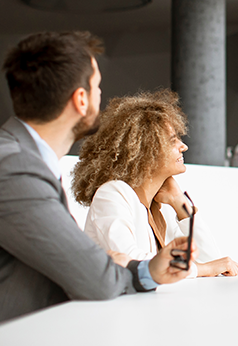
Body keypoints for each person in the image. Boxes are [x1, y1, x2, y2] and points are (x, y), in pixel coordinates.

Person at [0, 32, 193, 324]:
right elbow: (95, 277)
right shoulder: (15, 168)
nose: (100, 96)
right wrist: (113, 268)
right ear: (80, 99)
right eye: (97, 86)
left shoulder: (21, 158)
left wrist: (136, 268)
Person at [72, 90, 238, 278]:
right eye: (172, 140)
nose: (183, 146)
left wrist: (180, 203)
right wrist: (205, 269)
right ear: (145, 150)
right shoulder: (112, 195)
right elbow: (133, 263)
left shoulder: (162, 207)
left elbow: (212, 261)